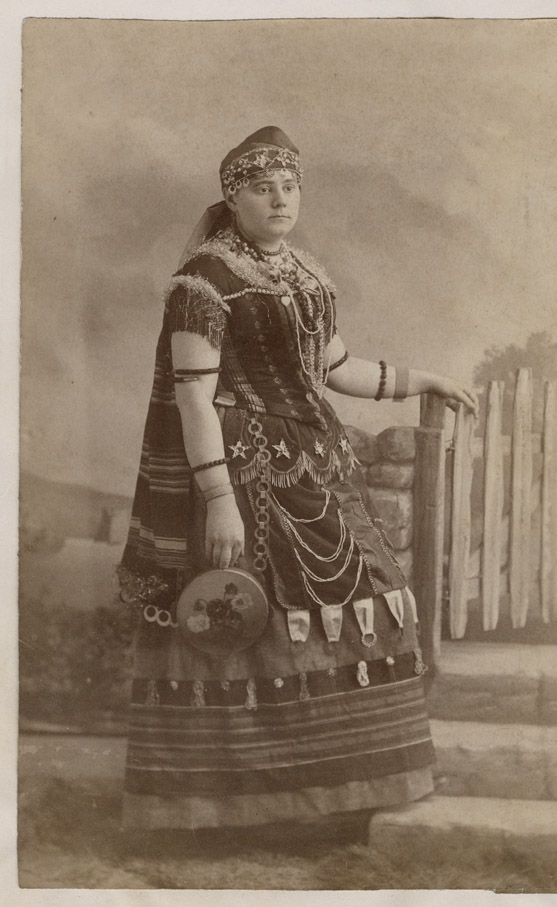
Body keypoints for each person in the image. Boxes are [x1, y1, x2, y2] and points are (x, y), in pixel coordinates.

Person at [118, 126, 478, 831]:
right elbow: (194, 399)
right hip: (240, 471)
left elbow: (336, 369)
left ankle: (347, 790)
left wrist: (426, 378)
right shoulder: (203, 283)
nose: (280, 199)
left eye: (289, 186)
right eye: (262, 188)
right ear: (233, 198)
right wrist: (219, 500)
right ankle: (240, 808)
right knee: (247, 618)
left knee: (375, 598)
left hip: (314, 463)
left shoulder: (304, 273)